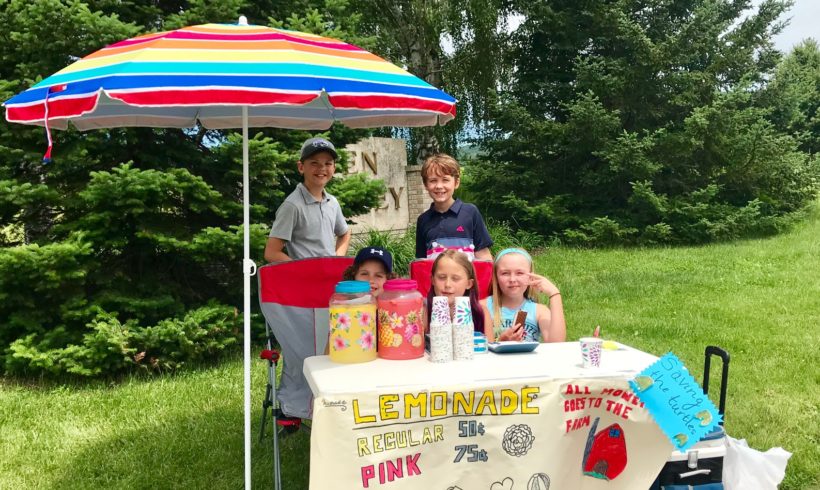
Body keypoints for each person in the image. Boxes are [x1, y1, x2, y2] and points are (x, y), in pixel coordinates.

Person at [264, 137, 351, 263]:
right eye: (314, 163)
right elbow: (271, 252)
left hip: (330, 279)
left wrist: (337, 259)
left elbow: (345, 234)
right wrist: (303, 270)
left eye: (328, 163)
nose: (322, 168)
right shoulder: (292, 206)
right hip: (306, 280)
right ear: (301, 167)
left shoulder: (332, 202)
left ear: (334, 168)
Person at [415, 153, 493, 261]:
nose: (439, 186)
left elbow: (484, 257)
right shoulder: (423, 220)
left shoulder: (470, 213)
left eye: (445, 180)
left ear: (456, 183)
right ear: (426, 185)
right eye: (433, 181)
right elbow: (421, 263)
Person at [481, 248, 566, 343]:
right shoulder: (482, 307)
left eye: (520, 273)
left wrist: (555, 294)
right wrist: (501, 342)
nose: (512, 279)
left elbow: (556, 344)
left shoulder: (539, 311)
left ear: (531, 276)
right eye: (505, 273)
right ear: (495, 277)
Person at [426, 249, 485, 333]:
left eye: (455, 279)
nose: (447, 284)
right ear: (433, 280)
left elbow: (489, 345)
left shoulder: (481, 313)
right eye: (442, 277)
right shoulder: (422, 312)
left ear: (469, 284)